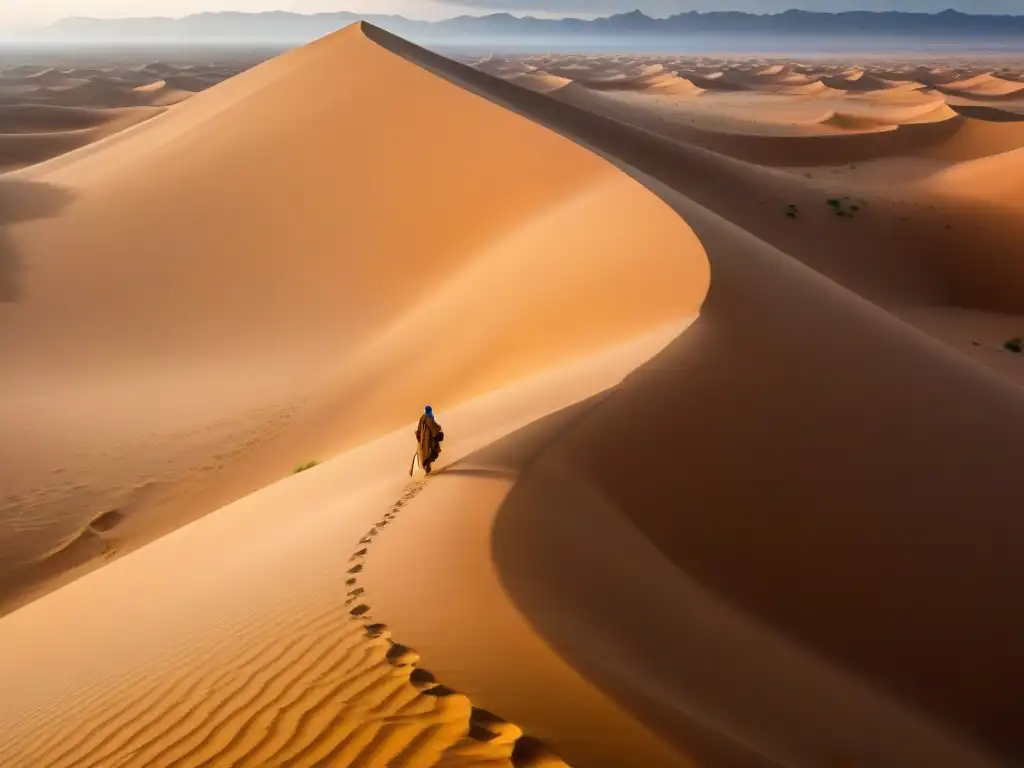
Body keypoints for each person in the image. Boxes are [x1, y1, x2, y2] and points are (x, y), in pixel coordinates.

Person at [415, 405, 444, 475]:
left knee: (426, 453)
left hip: (423, 440)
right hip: (429, 439)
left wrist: (418, 435)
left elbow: (419, 428)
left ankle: (427, 467)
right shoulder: (429, 418)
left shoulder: (423, 417)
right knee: (430, 452)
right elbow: (433, 426)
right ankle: (427, 468)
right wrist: (439, 429)